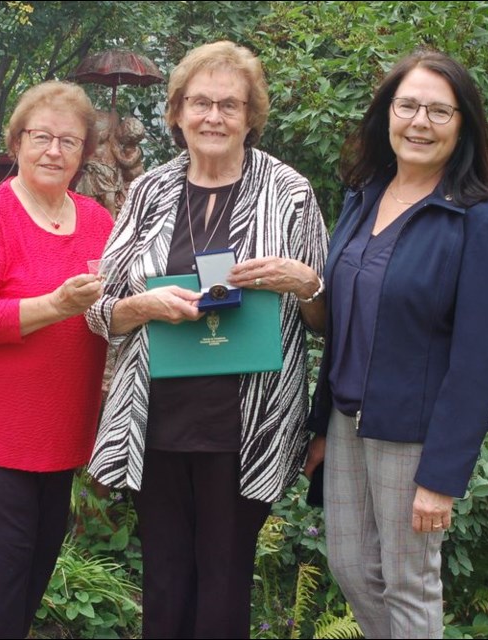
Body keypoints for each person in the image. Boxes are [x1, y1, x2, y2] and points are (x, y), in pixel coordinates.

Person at [85, 40, 328, 638]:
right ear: (177, 113)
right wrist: (141, 305)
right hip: (157, 421)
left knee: (223, 585)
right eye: (199, 102)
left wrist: (305, 283)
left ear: (251, 116)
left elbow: (327, 320)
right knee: (165, 582)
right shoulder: (148, 193)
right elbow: (98, 311)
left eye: (229, 104)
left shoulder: (289, 192)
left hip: (248, 424)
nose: (213, 116)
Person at [303, 49, 488, 638]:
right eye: (408, 106)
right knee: (349, 568)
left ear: (464, 125)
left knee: (409, 581)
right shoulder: (362, 198)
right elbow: (344, 326)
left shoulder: (481, 221)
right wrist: (321, 426)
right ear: (387, 114)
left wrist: (442, 477)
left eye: (439, 111)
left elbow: (479, 362)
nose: (420, 122)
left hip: (413, 437)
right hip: (348, 423)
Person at [0, 80, 114, 639]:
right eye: (42, 137)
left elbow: (115, 303)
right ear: (17, 142)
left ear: (83, 153)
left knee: (32, 573)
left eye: (70, 141)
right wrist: (55, 304)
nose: (54, 150)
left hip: (57, 435)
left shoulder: (98, 221)